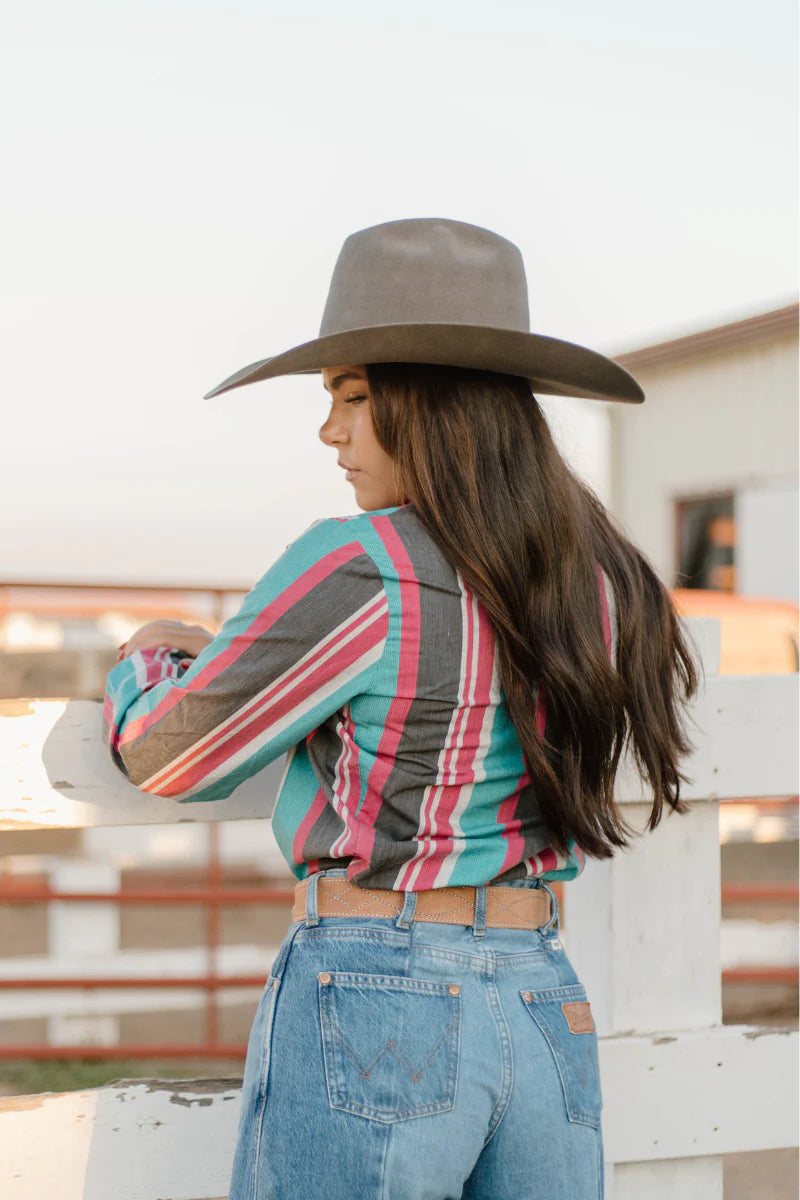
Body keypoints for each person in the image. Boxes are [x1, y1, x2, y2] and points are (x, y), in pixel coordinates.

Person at [104, 218, 699, 1200]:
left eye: (353, 396)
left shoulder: (363, 564)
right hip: (541, 991)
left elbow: (169, 756)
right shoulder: (601, 582)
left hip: (379, 986)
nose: (329, 431)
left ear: (434, 402)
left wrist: (153, 654)